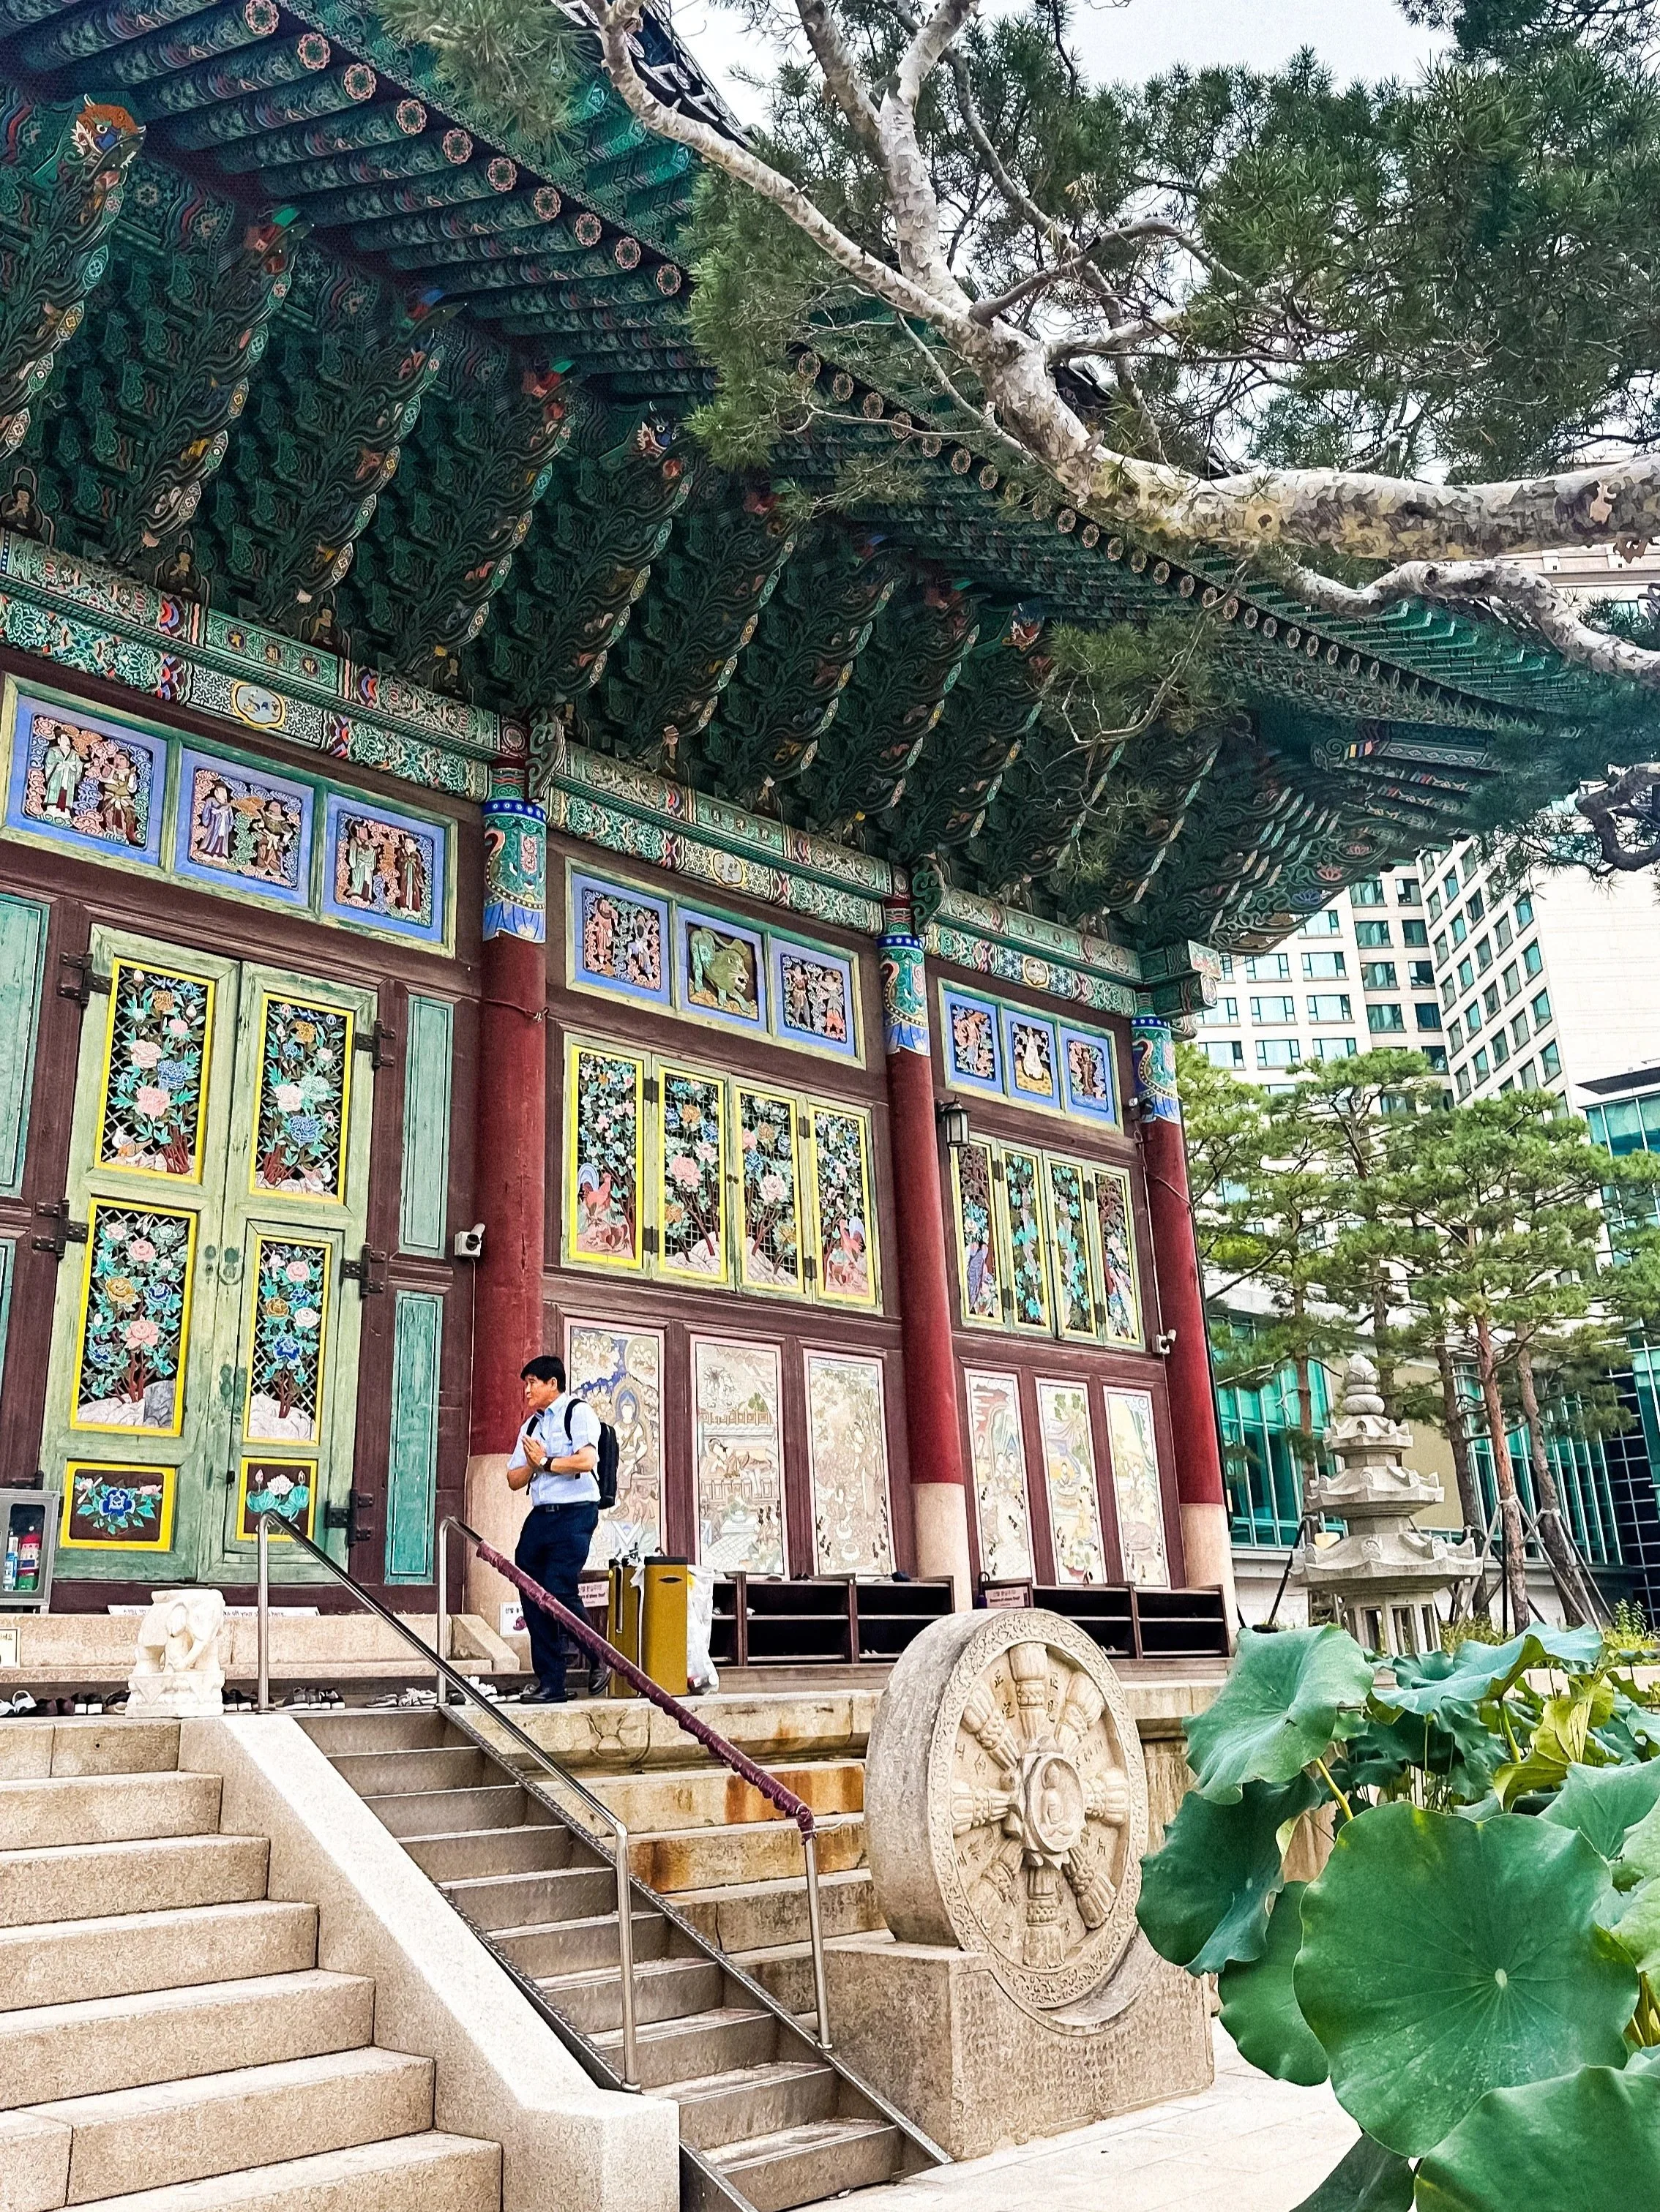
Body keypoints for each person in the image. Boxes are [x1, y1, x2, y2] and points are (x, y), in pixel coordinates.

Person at [507, 1353, 606, 1703]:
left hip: (576, 1512)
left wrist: (546, 1462)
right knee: (531, 1590)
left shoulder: (576, 1412)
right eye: (525, 1384)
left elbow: (587, 1459)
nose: (527, 1390)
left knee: (559, 1587)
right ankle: (551, 1682)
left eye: (533, 1382)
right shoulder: (530, 1427)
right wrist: (535, 1465)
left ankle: (598, 1655)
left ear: (553, 1383)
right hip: (541, 1516)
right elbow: (513, 1479)